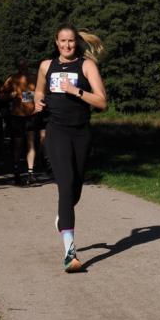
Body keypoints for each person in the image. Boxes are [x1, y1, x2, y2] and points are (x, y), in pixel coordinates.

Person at [34, 24, 107, 272]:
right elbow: (37, 92)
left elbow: (101, 102)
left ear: (76, 43)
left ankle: (63, 216)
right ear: (56, 42)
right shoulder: (46, 66)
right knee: (65, 187)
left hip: (81, 133)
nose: (67, 45)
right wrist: (36, 101)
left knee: (74, 189)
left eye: (71, 41)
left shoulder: (86, 66)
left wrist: (76, 90)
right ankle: (70, 253)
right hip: (56, 132)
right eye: (63, 41)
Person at [0, 57, 40, 186]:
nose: (22, 67)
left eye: (24, 65)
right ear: (17, 66)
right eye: (20, 65)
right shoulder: (12, 79)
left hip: (32, 114)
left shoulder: (34, 78)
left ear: (27, 64)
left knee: (31, 142)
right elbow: (1, 96)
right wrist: (10, 96)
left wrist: (38, 101)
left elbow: (42, 93)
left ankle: (30, 172)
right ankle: (17, 171)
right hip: (17, 115)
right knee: (18, 143)